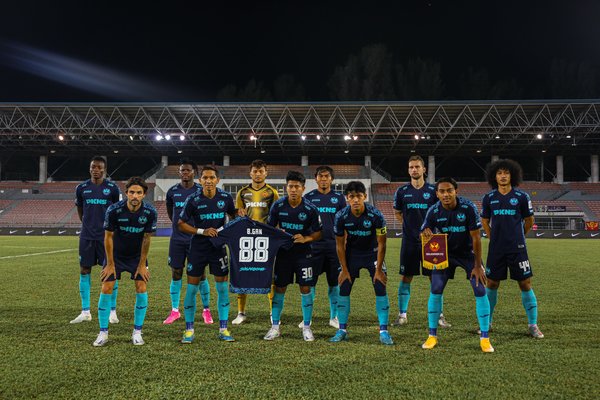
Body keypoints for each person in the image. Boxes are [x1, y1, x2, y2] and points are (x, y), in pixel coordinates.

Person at [420, 177, 493, 353]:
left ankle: (485, 338)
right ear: (437, 194)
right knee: (436, 288)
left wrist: (477, 266)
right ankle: (432, 336)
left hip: (468, 254)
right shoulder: (433, 211)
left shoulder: (468, 208)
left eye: (449, 190)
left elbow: (476, 238)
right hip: (445, 255)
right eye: (442, 191)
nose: (446, 194)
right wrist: (426, 232)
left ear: (456, 191)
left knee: (480, 289)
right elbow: (423, 231)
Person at [481, 159, 543, 339]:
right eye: (499, 173)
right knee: (491, 283)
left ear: (512, 175)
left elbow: (529, 220)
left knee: (525, 283)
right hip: (496, 249)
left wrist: (519, 236)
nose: (502, 176)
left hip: (517, 249)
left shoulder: (522, 197)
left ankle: (533, 325)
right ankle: (487, 323)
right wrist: (493, 236)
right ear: (494, 176)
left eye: (506, 173)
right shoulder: (489, 198)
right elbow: (485, 220)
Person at [93, 177, 157, 346]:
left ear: (144, 195)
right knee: (107, 286)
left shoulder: (150, 212)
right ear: (126, 193)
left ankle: (137, 332)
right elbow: (108, 237)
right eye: (131, 192)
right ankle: (103, 333)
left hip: (136, 257)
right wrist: (110, 263)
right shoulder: (114, 210)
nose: (134, 196)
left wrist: (142, 264)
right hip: (116, 256)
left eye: (138, 193)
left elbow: (146, 239)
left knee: (141, 286)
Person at [178, 166, 237, 343]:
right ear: (200, 180)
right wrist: (202, 231)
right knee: (192, 288)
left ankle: (224, 328)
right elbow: (181, 224)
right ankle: (189, 330)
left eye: (212, 177)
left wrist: (236, 215)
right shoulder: (193, 199)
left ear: (218, 180)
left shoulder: (225, 197)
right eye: (205, 178)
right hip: (198, 248)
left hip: (218, 248)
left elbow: (233, 216)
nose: (209, 181)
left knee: (222, 289)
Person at [330, 181, 394, 345]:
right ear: (347, 199)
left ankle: (384, 331)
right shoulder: (341, 216)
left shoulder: (376, 215)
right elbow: (339, 245)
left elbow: (382, 244)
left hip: (372, 253)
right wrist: (344, 269)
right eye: (352, 197)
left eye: (359, 196)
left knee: (380, 286)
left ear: (365, 197)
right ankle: (342, 329)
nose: (356, 200)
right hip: (352, 254)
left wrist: (379, 269)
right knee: (343, 287)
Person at [264, 171, 323, 342]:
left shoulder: (310, 209)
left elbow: (319, 233)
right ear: (286, 188)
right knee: (279, 288)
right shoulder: (278, 206)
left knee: (305, 288)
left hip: (304, 254)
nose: (293, 189)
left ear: (303, 188)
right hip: (283, 254)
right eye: (290, 186)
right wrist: (277, 232)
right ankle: (275, 327)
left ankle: (306, 327)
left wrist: (306, 238)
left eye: (297, 186)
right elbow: (270, 227)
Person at [392, 155, 450, 327]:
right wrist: (409, 228)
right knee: (405, 277)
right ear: (408, 170)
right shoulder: (402, 192)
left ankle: (439, 315)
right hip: (409, 241)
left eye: (417, 166)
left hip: (431, 243)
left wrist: (430, 229)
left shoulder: (433, 191)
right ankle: (402, 314)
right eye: (411, 167)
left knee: (435, 278)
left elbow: (440, 213)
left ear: (424, 169)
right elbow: (397, 212)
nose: (414, 170)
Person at [71, 156, 120, 324]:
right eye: (93, 167)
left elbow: (115, 211)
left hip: (106, 237)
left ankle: (112, 311)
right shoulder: (81, 188)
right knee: (84, 270)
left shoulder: (112, 188)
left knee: (110, 271)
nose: (95, 170)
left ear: (104, 170)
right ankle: (85, 311)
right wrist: (88, 224)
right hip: (86, 236)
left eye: (99, 167)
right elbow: (80, 210)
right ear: (89, 168)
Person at [233, 159, 280, 325]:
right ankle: (241, 312)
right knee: (243, 273)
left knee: (270, 275)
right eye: (255, 171)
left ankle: (272, 313)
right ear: (250, 173)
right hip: (246, 238)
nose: (258, 174)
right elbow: (237, 215)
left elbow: (277, 217)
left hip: (266, 239)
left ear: (266, 173)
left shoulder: (273, 193)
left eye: (261, 171)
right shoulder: (242, 193)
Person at [301, 166, 346, 329]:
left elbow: (343, 223)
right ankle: (308, 318)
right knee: (309, 283)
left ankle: (333, 316)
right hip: (314, 247)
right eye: (321, 176)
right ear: (316, 179)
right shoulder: (308, 197)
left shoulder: (339, 198)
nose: (324, 179)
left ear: (331, 179)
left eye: (327, 176)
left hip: (333, 247)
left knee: (334, 284)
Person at [162, 160, 207, 325]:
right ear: (179, 173)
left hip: (196, 239)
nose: (185, 173)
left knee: (200, 274)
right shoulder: (172, 191)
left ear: (194, 172)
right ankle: (175, 311)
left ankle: (206, 310)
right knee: (176, 272)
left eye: (188, 170)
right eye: (182, 170)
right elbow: (170, 212)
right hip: (177, 239)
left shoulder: (200, 191)